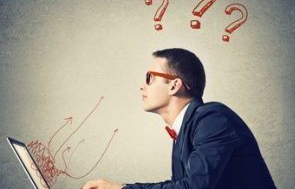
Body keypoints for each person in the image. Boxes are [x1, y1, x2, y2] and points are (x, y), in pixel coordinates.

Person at [82, 48, 276, 189]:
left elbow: (193, 187)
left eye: (149, 77)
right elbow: (180, 186)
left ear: (174, 86)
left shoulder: (212, 118)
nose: (142, 86)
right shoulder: (184, 132)